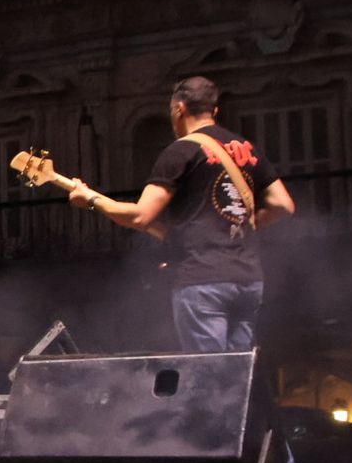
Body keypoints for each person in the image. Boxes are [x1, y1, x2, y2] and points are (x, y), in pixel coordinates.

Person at [67, 76, 296, 353]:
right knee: (237, 376)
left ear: (179, 108)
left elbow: (141, 216)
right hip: (248, 280)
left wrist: (90, 199)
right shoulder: (245, 148)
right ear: (215, 110)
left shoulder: (181, 151)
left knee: (208, 376)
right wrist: (248, 224)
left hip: (203, 279)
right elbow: (284, 205)